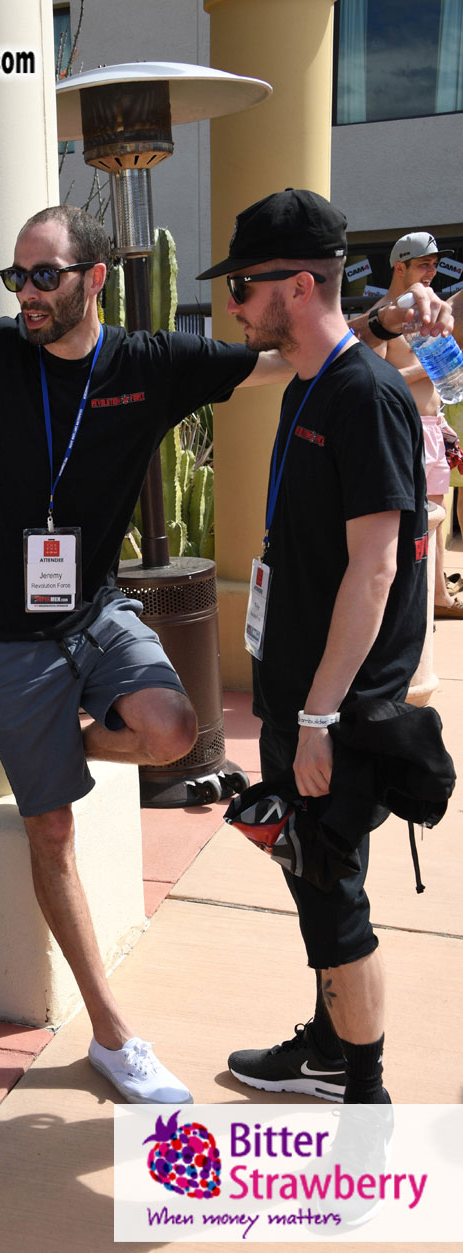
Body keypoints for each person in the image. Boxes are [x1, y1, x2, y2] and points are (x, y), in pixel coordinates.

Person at [0, 205, 443, 1104]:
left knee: (175, 730)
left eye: (44, 276)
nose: (27, 293)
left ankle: (52, 756)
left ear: (93, 278)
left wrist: (377, 324)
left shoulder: (149, 364)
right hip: (2, 631)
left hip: (96, 611)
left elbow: (279, 357)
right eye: (16, 276)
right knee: (55, 829)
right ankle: (112, 1036)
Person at [195, 188, 433, 1104]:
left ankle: (364, 1098)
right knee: (314, 877)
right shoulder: (310, 382)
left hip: (335, 705)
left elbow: (374, 568)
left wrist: (323, 713)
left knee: (333, 897)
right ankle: (333, 1045)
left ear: (296, 286)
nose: (233, 305)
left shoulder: (362, 393)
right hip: (303, 696)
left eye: (244, 287)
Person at [365, 232, 461, 616]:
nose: (432, 272)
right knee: (414, 526)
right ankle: (411, 608)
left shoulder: (425, 313)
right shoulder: (382, 315)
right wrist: (431, 366)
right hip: (405, 431)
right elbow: (374, 381)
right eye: (424, 264)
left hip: (431, 428)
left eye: (436, 265)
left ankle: (437, 596)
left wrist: (442, 423)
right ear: (399, 267)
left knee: (435, 520)